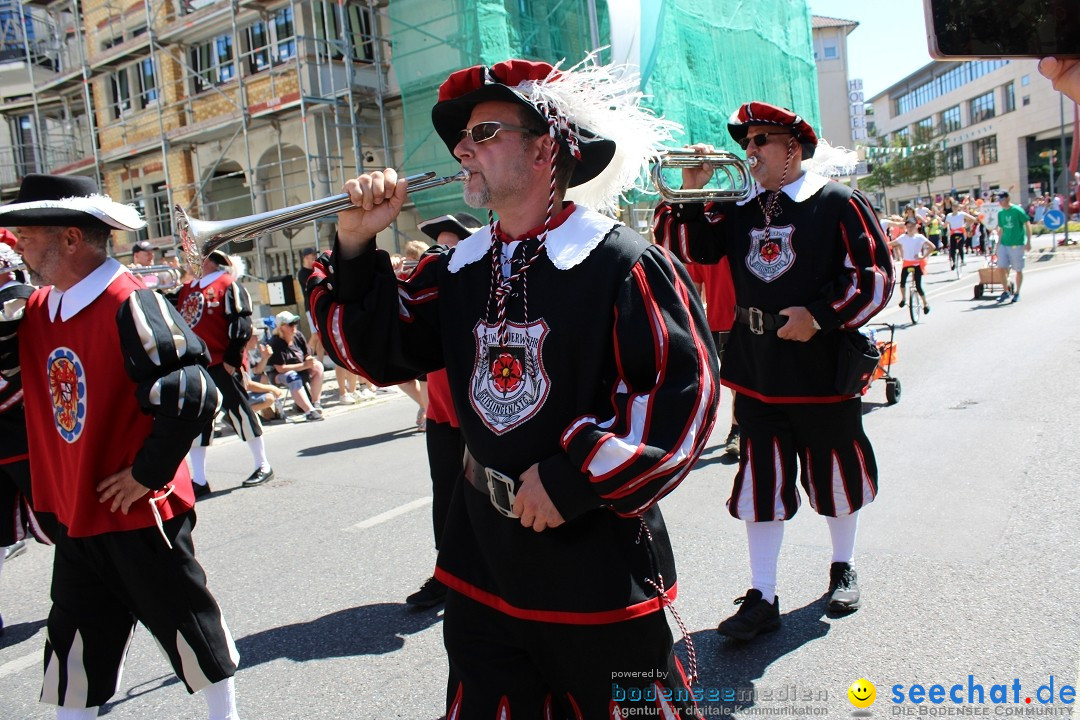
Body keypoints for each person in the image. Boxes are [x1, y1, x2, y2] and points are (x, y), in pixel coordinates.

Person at [308, 57, 717, 717]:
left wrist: (571, 479)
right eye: (461, 139)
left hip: (592, 570)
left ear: (546, 145)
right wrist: (355, 246)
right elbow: (382, 350)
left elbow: (678, 402)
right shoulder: (459, 267)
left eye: (486, 132)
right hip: (484, 564)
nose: (463, 149)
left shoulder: (623, 261)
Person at [0, 173, 239, 719]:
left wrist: (146, 474)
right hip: (78, 512)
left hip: (136, 513)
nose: (18, 246)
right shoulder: (39, 308)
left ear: (69, 239)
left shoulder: (128, 300)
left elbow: (194, 394)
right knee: (73, 647)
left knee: (188, 630)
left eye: (28, 235)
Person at [653, 101, 894, 640]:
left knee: (835, 472)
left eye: (761, 140)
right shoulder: (737, 204)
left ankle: (842, 565)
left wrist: (821, 317)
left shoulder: (837, 201)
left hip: (822, 368)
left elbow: (875, 276)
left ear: (793, 148)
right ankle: (762, 592)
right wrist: (693, 189)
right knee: (761, 482)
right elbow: (681, 248)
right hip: (758, 369)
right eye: (748, 142)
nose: (750, 151)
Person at [405, 212, 482, 609]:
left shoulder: (479, 285)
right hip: (440, 412)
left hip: (479, 414)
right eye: (440, 245)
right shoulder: (432, 286)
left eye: (452, 245)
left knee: (484, 498)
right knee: (445, 494)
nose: (443, 252)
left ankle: (489, 576)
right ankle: (446, 573)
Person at [177, 249, 274, 492]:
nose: (186, 260)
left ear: (208, 259)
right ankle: (198, 479)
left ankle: (263, 464)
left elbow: (241, 323)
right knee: (197, 421)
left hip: (222, 362)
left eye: (192, 256)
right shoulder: (189, 288)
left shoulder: (228, 284)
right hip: (198, 365)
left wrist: (231, 359)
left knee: (240, 411)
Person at [0, 238, 53, 637]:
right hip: (11, 428)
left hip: (21, 424)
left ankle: (97, 591)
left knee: (59, 515)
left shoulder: (19, 297)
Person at [267, 310, 324, 421]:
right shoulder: (276, 342)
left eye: (295, 323)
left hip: (301, 368)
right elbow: (280, 368)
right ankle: (309, 411)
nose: (294, 326)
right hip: (278, 375)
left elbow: (307, 353)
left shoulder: (298, 335)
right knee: (292, 376)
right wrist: (304, 365)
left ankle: (315, 403)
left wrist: (309, 360)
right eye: (290, 324)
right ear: (281, 327)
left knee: (318, 366)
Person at [889, 218, 935, 314]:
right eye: (908, 226)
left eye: (912, 226)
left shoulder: (919, 237)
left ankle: (925, 304)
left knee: (918, 286)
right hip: (906, 263)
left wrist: (923, 257)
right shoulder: (902, 238)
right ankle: (903, 299)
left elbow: (932, 247)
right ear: (905, 227)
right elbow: (891, 244)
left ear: (916, 227)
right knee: (902, 283)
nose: (910, 228)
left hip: (916, 264)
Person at [993, 190, 1032, 304]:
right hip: (1004, 244)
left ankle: (1017, 293)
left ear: (1007, 199)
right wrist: (997, 245)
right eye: (998, 200)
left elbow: (1027, 224)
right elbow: (1001, 230)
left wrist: (1028, 241)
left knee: (1018, 270)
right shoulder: (1000, 213)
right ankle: (1005, 291)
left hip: (1017, 244)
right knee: (1001, 268)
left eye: (1001, 199)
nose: (999, 202)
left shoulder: (1017, 210)